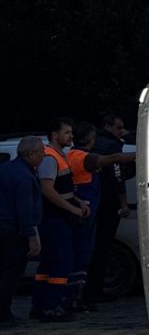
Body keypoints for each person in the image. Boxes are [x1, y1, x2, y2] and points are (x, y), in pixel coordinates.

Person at [66, 121, 135, 312]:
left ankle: (77, 296)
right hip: (84, 214)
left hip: (85, 211)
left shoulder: (73, 155)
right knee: (83, 257)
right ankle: (77, 298)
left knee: (84, 256)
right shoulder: (83, 157)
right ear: (90, 138)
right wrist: (139, 156)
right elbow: (114, 161)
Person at [32, 117, 90, 321]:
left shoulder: (58, 156)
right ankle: (52, 307)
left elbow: (63, 189)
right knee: (59, 262)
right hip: (54, 218)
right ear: (55, 135)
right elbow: (48, 190)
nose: (71, 136)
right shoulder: (50, 158)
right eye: (67, 132)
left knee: (49, 264)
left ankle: (41, 306)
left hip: (56, 217)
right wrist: (73, 209)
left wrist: (78, 202)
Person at [85, 113, 131, 303]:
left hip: (93, 201)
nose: (122, 131)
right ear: (108, 126)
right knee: (102, 248)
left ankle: (88, 289)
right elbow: (117, 176)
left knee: (92, 247)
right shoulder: (112, 146)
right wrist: (123, 202)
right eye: (118, 127)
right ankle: (94, 290)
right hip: (107, 203)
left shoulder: (95, 143)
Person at [0, 136, 44, 328]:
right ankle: (3, 314)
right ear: (31, 153)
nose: (43, 155)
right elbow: (24, 210)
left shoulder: (5, 169)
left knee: (3, 271)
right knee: (11, 273)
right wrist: (32, 237)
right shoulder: (24, 176)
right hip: (14, 230)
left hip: (4, 226)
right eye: (41, 151)